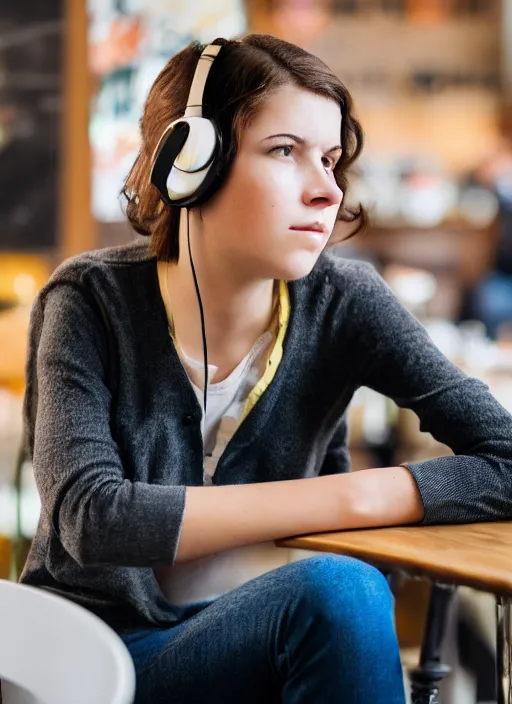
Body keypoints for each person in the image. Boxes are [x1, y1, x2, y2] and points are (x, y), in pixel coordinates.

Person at [19, 35, 512, 704]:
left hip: (256, 639)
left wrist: (365, 501)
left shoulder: (345, 303)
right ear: (191, 160)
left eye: (332, 160)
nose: (326, 190)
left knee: (343, 592)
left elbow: (506, 457)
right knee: (339, 590)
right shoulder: (89, 300)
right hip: (97, 657)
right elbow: (94, 517)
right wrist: (351, 500)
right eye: (285, 151)